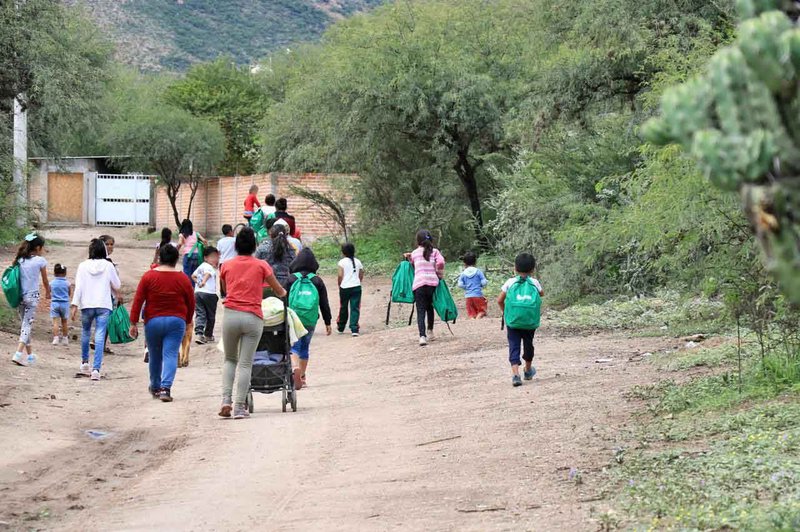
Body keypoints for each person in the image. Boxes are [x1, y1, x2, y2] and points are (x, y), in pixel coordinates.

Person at [219, 227, 286, 419]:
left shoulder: (226, 265)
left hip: (231, 316)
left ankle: (225, 400)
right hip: (252, 317)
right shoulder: (261, 265)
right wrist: (282, 294)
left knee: (230, 359)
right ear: (254, 245)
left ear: (237, 245)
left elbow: (225, 290)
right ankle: (239, 407)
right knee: (245, 363)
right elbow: (278, 290)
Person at [130, 244, 195, 402]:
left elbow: (138, 301)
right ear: (176, 259)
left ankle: (155, 387)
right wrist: (187, 321)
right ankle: (166, 389)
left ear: (160, 258)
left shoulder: (148, 276)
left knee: (155, 355)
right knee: (171, 354)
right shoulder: (183, 278)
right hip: (176, 321)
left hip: (153, 321)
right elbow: (191, 302)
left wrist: (133, 322)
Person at [71, 239, 121, 380]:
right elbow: (117, 284)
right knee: (100, 334)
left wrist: (74, 304)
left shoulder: (82, 266)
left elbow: (78, 286)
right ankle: (96, 370)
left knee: (86, 332)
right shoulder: (108, 265)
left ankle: (84, 363)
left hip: (86, 304)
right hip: (103, 304)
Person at [285, 248, 332, 388]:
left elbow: (283, 300)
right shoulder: (317, 281)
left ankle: (295, 370)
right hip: (310, 319)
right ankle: (303, 377)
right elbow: (324, 302)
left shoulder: (291, 279)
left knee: (294, 346)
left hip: (294, 318)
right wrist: (327, 322)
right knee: (305, 346)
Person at [497, 253, 544, 387]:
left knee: (514, 345)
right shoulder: (534, 282)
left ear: (515, 268)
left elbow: (499, 300)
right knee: (528, 344)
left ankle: (516, 375)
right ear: (532, 270)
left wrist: (507, 313)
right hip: (529, 321)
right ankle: (528, 370)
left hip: (513, 321)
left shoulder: (510, 282)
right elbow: (541, 294)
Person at [11, 234, 50, 366]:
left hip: (20, 296)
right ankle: (18, 353)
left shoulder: (20, 260)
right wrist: (48, 292)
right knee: (27, 325)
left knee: (24, 324)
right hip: (32, 297)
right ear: (38, 248)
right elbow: (45, 280)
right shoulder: (40, 261)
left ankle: (30, 355)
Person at [405, 230, 445, 346]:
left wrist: (408, 257)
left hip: (419, 284)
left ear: (418, 241)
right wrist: (439, 273)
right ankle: (430, 331)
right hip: (432, 283)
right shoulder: (435, 252)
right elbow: (441, 262)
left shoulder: (414, 253)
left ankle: (422, 336)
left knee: (420, 310)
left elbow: (413, 263)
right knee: (429, 307)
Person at [192, 247, 220, 345]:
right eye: (212, 257)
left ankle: (199, 333)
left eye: (216, 257)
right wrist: (203, 281)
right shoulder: (209, 267)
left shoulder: (201, 266)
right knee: (210, 315)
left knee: (200, 313)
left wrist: (198, 283)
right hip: (209, 294)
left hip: (198, 293)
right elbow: (208, 274)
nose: (215, 259)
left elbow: (193, 276)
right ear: (205, 258)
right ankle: (208, 335)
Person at [254, 224, 296, 289]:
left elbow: (256, 265)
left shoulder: (263, 247)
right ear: (285, 234)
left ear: (270, 234)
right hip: (285, 284)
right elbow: (294, 266)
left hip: (267, 283)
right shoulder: (290, 249)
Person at [337, 243, 364, 337]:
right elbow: (361, 274)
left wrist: (339, 284)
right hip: (356, 287)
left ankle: (341, 327)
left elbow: (340, 275)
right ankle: (354, 328)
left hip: (345, 287)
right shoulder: (358, 261)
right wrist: (358, 281)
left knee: (343, 307)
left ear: (343, 252)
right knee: (355, 308)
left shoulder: (342, 262)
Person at [457, 251, 489, 319]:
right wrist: (482, 284)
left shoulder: (463, 273)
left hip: (468, 297)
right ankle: (478, 320)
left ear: (464, 263)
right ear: (475, 262)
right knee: (482, 311)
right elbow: (484, 282)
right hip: (478, 295)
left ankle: (473, 325)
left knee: (471, 314)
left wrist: (466, 287)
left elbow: (459, 284)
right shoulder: (478, 271)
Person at [178, 219, 207, 286]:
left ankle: (188, 289)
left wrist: (177, 250)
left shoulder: (182, 234)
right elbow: (204, 241)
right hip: (197, 255)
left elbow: (179, 243)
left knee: (187, 274)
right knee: (195, 274)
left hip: (188, 255)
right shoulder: (196, 233)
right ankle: (195, 289)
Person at [50, 264, 73, 346]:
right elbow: (69, 293)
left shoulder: (52, 283)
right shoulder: (67, 283)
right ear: (65, 273)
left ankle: (55, 338)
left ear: (54, 273)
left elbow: (50, 292)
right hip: (64, 304)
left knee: (55, 322)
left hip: (55, 303)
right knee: (64, 322)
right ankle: (65, 338)